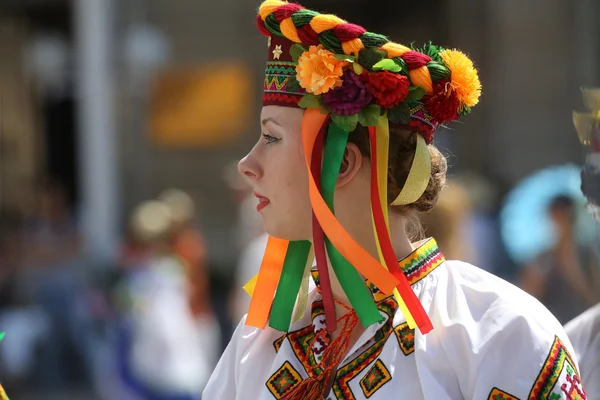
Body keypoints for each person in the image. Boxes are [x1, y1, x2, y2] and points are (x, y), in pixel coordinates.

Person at [204, 1, 587, 398]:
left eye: (270, 138)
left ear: (343, 163)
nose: (247, 165)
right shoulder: (260, 339)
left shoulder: (494, 330)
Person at [519, 195, 600, 324]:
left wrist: (572, 270)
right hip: (553, 327)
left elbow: (595, 299)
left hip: (582, 326)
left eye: (562, 216)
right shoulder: (542, 257)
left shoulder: (587, 254)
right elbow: (527, 297)